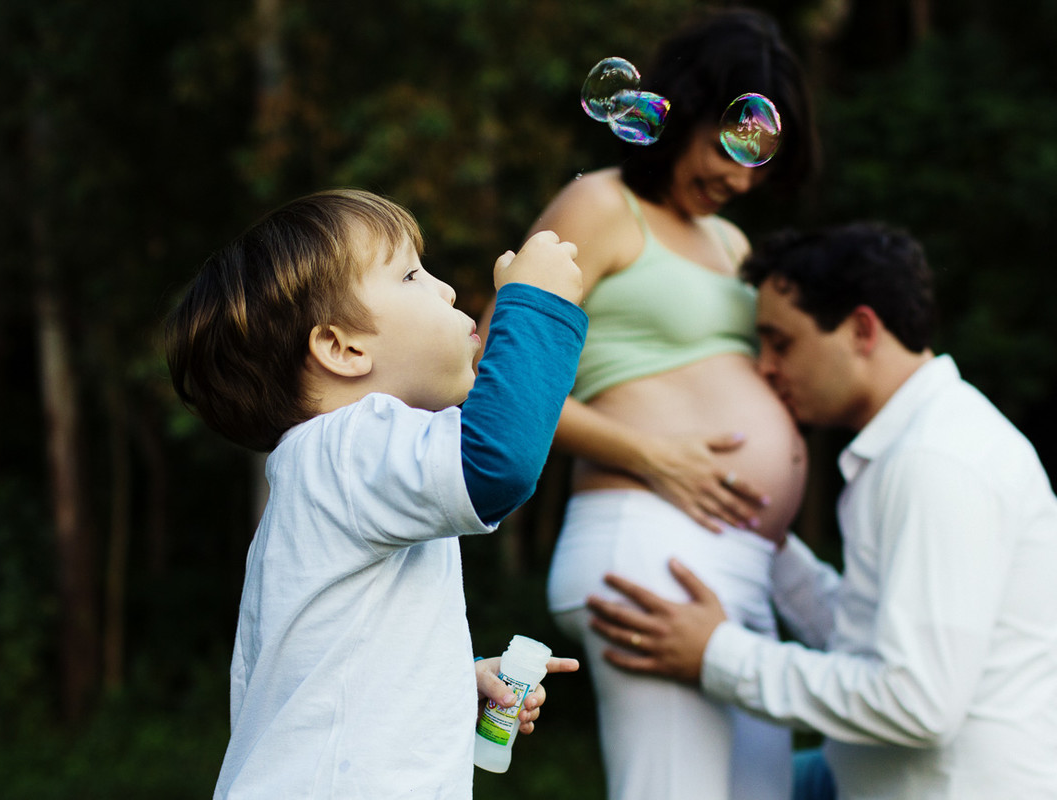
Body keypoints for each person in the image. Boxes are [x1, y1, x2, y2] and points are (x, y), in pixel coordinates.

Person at [586, 222, 1057, 799]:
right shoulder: (916, 445)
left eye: (781, 343)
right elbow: (869, 641)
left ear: (861, 330)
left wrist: (717, 654)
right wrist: (773, 549)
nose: (765, 368)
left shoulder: (937, 461)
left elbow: (917, 703)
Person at [477, 8, 820, 799]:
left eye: (759, 161)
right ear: (684, 109)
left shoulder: (732, 244)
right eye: (729, 146)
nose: (741, 178)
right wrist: (653, 455)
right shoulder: (602, 204)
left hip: (739, 560)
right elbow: (490, 366)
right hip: (649, 539)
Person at [164, 188, 587, 799]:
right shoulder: (346, 446)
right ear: (343, 348)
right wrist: (538, 303)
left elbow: (323, 680)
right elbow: (497, 463)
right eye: (412, 275)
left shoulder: (331, 471)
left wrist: (447, 684)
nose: (446, 290)